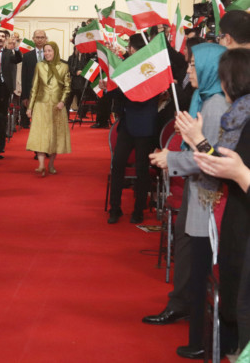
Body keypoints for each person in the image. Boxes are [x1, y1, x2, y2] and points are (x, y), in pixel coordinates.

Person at [148, 43, 228, 360]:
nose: (189, 70)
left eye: (195, 65)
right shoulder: (206, 98)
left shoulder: (216, 105)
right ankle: (188, 316)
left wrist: (173, 158)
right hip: (198, 194)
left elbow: (208, 157)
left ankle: (200, 340)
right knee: (191, 259)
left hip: (208, 197)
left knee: (200, 268)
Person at [179, 48, 250, 355]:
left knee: (240, 307)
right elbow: (222, 163)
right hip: (238, 215)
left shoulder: (241, 116)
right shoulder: (239, 114)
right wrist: (199, 141)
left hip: (242, 220)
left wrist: (198, 142)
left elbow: (225, 166)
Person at [107, 33, 158, 224]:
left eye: (131, 47)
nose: (130, 50)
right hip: (128, 124)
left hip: (145, 125)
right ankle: (115, 208)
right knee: (117, 164)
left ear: (135, 49)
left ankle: (138, 210)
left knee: (142, 169)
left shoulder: (153, 68)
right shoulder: (126, 66)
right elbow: (118, 93)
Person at [26, 41, 71, 176]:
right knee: (40, 134)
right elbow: (34, 88)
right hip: (41, 105)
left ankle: (50, 164)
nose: (47, 53)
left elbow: (67, 88)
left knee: (54, 135)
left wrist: (62, 102)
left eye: (49, 51)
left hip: (57, 107)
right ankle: (41, 165)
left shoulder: (64, 67)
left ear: (55, 51)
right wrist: (30, 107)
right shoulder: (39, 66)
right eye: (45, 51)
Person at [0, 29, 23, 158]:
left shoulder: (9, 53)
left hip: (5, 89)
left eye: (3, 36)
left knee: (2, 118)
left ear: (6, 39)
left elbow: (18, 59)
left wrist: (17, 47)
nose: (1, 38)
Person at [21, 30, 47, 128]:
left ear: (45, 39)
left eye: (42, 37)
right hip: (32, 91)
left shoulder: (49, 54)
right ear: (33, 39)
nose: (39, 40)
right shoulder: (27, 56)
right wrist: (24, 96)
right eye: (37, 37)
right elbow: (24, 76)